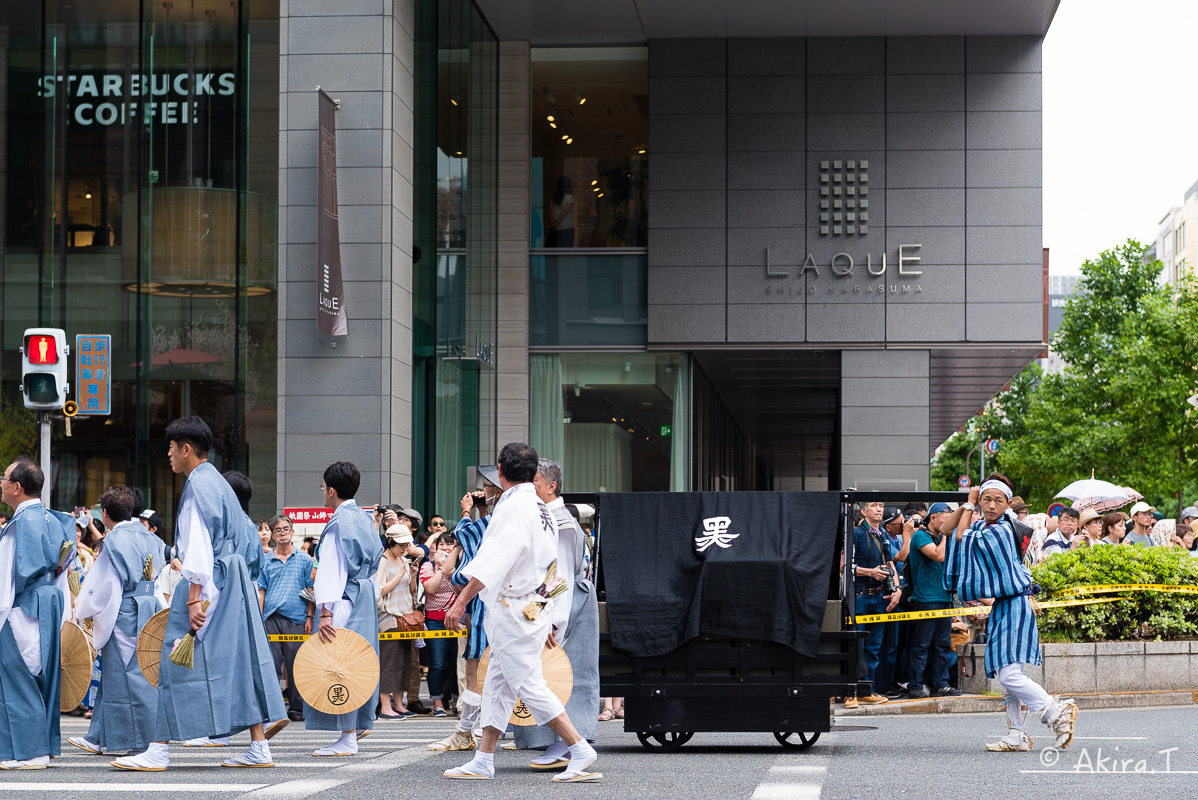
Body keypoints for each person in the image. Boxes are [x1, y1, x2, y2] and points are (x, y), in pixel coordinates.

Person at [111, 416, 287, 771]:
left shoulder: (198, 487)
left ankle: (159, 749)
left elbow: (199, 549)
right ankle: (258, 747)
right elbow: (249, 542)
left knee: (174, 663)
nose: (169, 455)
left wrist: (193, 598)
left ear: (187, 449)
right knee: (240, 662)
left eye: (172, 449)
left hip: (206, 586)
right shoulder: (220, 484)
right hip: (233, 584)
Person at [443, 443, 600, 783]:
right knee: (498, 683)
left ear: (500, 471)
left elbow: (495, 559)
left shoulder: (515, 507)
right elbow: (554, 571)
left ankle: (578, 747)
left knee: (528, 683)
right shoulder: (540, 508)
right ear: (531, 473)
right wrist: (549, 614)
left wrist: (460, 601)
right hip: (532, 604)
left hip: (515, 607)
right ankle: (484, 757)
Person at [939, 474, 1077, 752]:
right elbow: (945, 528)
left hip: (1015, 603)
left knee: (1010, 675)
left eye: (997, 501)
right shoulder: (986, 525)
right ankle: (1017, 735)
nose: (991, 505)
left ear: (1008, 504)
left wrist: (970, 503)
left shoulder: (1001, 530)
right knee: (1009, 675)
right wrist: (968, 504)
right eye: (986, 500)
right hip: (1006, 604)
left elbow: (960, 536)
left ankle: (1055, 711)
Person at [516, 459, 600, 770]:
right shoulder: (550, 518)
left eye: (534, 482)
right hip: (557, 604)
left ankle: (566, 743)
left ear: (551, 487)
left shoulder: (561, 523)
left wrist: (550, 621)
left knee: (564, 677)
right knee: (554, 677)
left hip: (565, 608)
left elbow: (559, 578)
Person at [69, 485, 165, 755]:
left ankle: (139, 742)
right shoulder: (149, 537)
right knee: (118, 673)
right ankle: (97, 735)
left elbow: (104, 583)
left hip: (126, 608)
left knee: (129, 674)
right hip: (149, 605)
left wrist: (84, 608)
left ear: (106, 513)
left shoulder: (114, 541)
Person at [0, 459, 74, 769]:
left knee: (16, 680)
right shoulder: (56, 521)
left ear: (17, 488)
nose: (1, 483)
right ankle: (42, 747)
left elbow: (5, 578)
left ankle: (28, 752)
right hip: (50, 604)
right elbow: (63, 571)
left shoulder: (16, 525)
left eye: (4, 478)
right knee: (42, 677)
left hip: (20, 607)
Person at [307, 461, 384, 756]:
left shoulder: (338, 523)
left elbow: (330, 570)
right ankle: (357, 724)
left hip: (341, 599)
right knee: (359, 661)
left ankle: (348, 734)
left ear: (331, 490)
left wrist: (324, 613)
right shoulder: (364, 519)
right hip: (363, 595)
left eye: (323, 487)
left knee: (340, 666)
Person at [428, 473, 499, 752]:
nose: (483, 490)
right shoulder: (514, 514)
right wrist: (481, 509)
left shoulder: (499, 518)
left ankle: (467, 733)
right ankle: (473, 731)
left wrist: (467, 511)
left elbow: (469, 539)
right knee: (496, 672)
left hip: (487, 603)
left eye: (489, 487)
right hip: (508, 603)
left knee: (474, 669)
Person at [258, 515, 315, 722]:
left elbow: (310, 590)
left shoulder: (304, 560)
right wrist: (259, 618)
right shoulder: (266, 560)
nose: (282, 532)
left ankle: (297, 709)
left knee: (296, 665)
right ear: (272, 535)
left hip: (297, 618)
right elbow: (261, 591)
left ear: (292, 532)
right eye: (278, 530)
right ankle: (273, 709)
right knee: (272, 665)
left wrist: (309, 617)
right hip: (271, 618)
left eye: (286, 529)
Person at [903, 503, 959, 699]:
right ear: (933, 517)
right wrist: (946, 534)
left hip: (944, 596)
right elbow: (938, 555)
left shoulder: (941, 537)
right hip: (926, 598)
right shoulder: (920, 536)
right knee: (921, 645)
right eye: (946, 517)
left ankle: (940, 683)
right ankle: (916, 684)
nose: (950, 522)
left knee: (943, 644)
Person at [848, 501, 901, 707]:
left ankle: (867, 689)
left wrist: (896, 589)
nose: (879, 509)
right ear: (863, 511)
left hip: (880, 596)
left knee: (874, 646)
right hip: (860, 595)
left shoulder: (884, 536)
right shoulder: (856, 533)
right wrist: (870, 572)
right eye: (873, 505)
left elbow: (891, 564)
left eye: (881, 505)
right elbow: (845, 566)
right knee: (856, 644)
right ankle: (852, 690)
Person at [376, 524, 419, 719]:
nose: (404, 548)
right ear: (390, 541)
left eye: (406, 544)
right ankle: (386, 705)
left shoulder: (403, 559)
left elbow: (411, 591)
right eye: (401, 544)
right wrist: (401, 574)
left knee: (404, 662)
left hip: (406, 617)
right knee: (389, 662)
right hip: (389, 618)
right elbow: (380, 591)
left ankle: (399, 704)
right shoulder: (383, 561)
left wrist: (413, 574)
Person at [420, 532, 462, 717]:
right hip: (435, 620)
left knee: (457, 663)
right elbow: (430, 588)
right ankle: (437, 703)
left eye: (449, 545)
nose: (445, 548)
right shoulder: (427, 566)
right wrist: (440, 568)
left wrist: (450, 570)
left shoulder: (461, 567)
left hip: (457, 619)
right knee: (437, 664)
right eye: (441, 545)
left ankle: (455, 701)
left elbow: (463, 589)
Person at [223, 471, 267, 584]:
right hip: (247, 588)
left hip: (225, 589)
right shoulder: (251, 527)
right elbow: (258, 567)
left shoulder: (225, 523)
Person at [546, 177, 575, 247]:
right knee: (565, 252)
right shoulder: (569, 197)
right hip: (567, 228)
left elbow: (550, 211)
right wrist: (556, 223)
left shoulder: (555, 197)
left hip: (556, 229)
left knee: (554, 251)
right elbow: (565, 212)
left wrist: (553, 222)